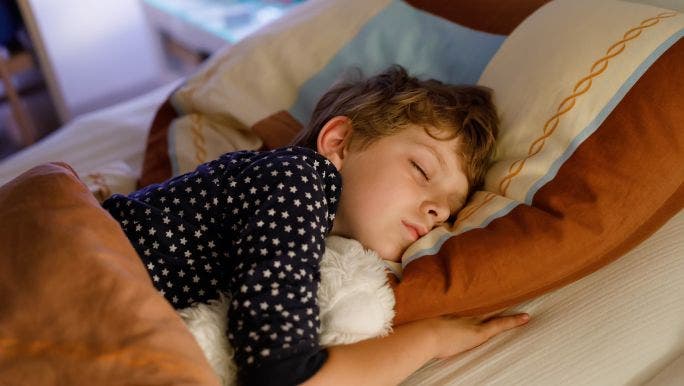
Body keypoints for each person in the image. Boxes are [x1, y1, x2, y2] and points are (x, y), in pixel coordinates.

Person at [103, 65, 529, 385]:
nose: (437, 210)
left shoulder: (316, 229)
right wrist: (431, 339)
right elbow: (283, 374)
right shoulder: (299, 179)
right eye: (421, 168)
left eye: (450, 210)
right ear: (339, 142)